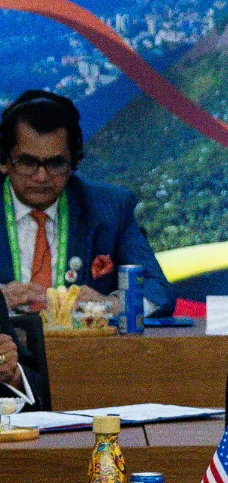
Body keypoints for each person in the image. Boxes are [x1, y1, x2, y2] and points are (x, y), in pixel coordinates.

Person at [0, 90, 162, 318]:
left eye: (56, 163)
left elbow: (158, 292)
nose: (41, 177)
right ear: (4, 162)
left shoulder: (111, 208)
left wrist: (107, 305)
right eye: (27, 162)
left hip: (85, 351)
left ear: (74, 162)